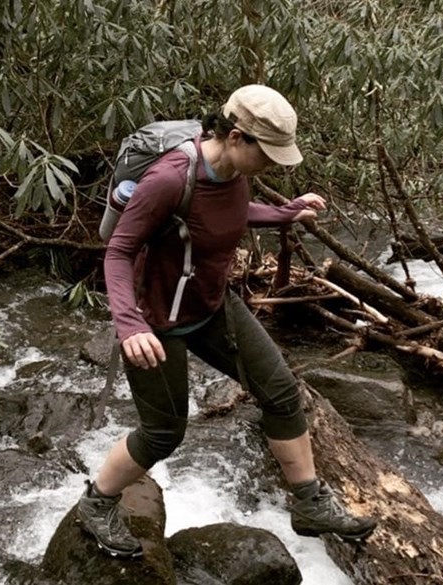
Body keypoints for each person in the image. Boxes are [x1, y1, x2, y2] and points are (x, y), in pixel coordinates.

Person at [78, 85, 378, 558]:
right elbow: (117, 251)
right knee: (164, 432)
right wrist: (130, 324)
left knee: (281, 391)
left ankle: (310, 504)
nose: (276, 164)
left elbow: (230, 214)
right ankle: (96, 503)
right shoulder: (168, 180)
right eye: (270, 153)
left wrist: (284, 213)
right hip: (157, 319)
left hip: (213, 304)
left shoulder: (234, 170)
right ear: (237, 137)